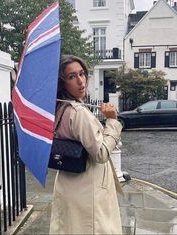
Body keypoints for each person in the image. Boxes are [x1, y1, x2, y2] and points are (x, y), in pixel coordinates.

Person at [49, 55, 123, 234]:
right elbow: (101, 153)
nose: (80, 81)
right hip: (88, 190)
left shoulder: (59, 109)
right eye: (71, 77)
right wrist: (112, 121)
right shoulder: (78, 112)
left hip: (69, 183)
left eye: (82, 74)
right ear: (62, 83)